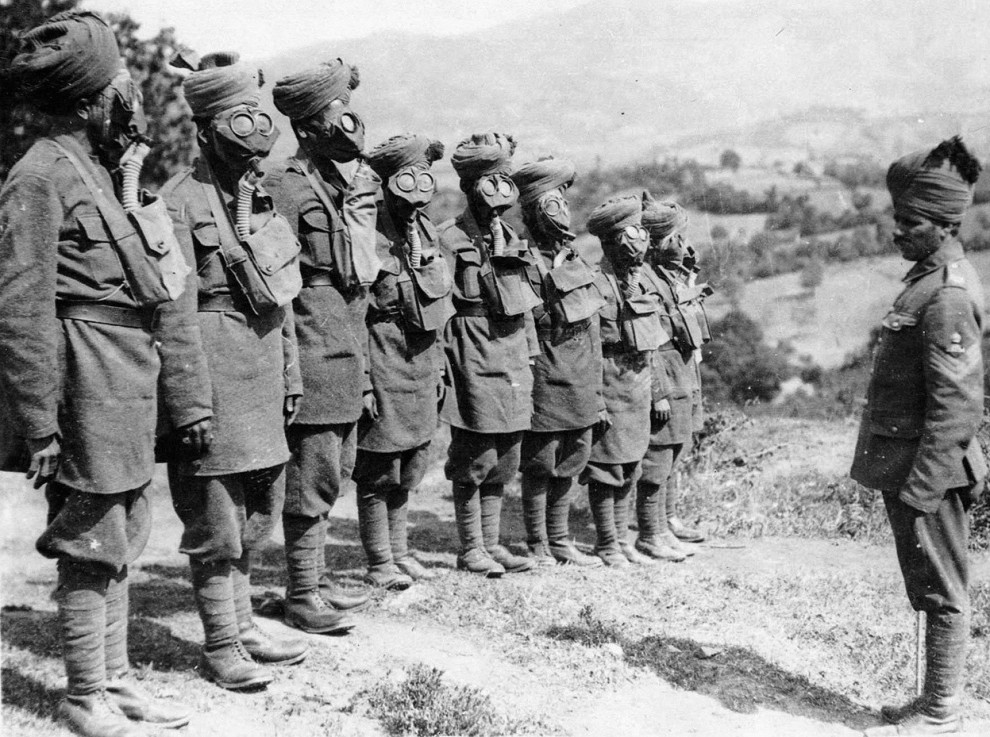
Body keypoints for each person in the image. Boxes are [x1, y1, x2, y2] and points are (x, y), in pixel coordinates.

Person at [0, 10, 195, 734]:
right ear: (90, 101)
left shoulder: (107, 175)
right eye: (122, 88)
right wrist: (39, 420)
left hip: (124, 376)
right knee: (88, 537)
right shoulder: (40, 174)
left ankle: (115, 680)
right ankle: (84, 693)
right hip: (83, 378)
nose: (134, 100)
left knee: (124, 529)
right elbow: (21, 307)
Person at [158, 50, 310, 690]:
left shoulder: (259, 198)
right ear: (205, 131)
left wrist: (291, 371)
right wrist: (190, 402)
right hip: (214, 376)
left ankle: (244, 625)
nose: (252, 138)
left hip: (262, 370)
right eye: (237, 123)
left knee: (260, 509)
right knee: (216, 519)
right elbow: (173, 314)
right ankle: (221, 643)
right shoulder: (177, 203)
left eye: (256, 118)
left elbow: (281, 295)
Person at [851, 137, 985, 737]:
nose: (897, 231)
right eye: (899, 218)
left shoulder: (946, 295)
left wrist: (923, 489)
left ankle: (940, 711)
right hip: (914, 465)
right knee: (928, 583)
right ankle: (931, 700)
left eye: (911, 223)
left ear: (945, 225)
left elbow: (957, 408)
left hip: (931, 471)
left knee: (945, 587)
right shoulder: (928, 281)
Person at [266, 59, 380, 629]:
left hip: (345, 343)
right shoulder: (283, 186)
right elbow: (277, 282)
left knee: (335, 468)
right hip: (312, 344)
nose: (350, 124)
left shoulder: (343, 185)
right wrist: (289, 366)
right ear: (309, 125)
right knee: (311, 475)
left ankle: (313, 579)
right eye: (338, 113)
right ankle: (301, 594)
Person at [439, 132, 541, 577]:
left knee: (507, 454)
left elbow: (524, 299)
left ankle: (493, 544)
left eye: (504, 182)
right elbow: (440, 306)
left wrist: (530, 351)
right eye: (489, 182)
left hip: (511, 349)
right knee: (476, 453)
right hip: (472, 348)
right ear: (470, 187)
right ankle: (471, 548)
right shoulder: (448, 238)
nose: (497, 193)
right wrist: (444, 364)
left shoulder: (513, 237)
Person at [354, 134, 451, 588]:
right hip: (383, 354)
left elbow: (437, 302)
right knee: (379, 466)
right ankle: (379, 562)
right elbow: (356, 312)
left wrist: (440, 365)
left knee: (411, 461)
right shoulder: (366, 229)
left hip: (421, 359)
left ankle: (400, 552)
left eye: (424, 180)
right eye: (406, 180)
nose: (416, 193)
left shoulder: (425, 231)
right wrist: (364, 380)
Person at [511, 157, 605, 568]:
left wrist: (597, 391)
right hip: (544, 372)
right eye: (551, 206)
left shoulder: (575, 258)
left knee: (571, 460)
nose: (560, 213)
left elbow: (592, 324)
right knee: (540, 462)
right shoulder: (520, 258)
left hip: (579, 372)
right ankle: (537, 543)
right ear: (533, 213)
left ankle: (561, 541)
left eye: (563, 204)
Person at [579, 195, 663, 567]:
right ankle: (607, 543)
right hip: (609, 384)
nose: (639, 244)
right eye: (631, 236)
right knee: (606, 469)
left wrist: (657, 392)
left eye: (641, 234)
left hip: (637, 387)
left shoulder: (640, 284)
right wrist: (595, 399)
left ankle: (623, 541)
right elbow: (589, 348)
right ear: (611, 241)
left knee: (632, 466)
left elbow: (652, 344)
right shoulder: (595, 284)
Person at [635, 195, 701, 561]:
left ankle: (665, 524)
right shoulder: (644, 279)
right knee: (657, 458)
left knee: (675, 450)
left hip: (681, 372)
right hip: (664, 374)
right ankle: (651, 533)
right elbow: (648, 343)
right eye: (677, 237)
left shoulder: (665, 274)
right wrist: (657, 392)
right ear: (661, 240)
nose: (683, 244)